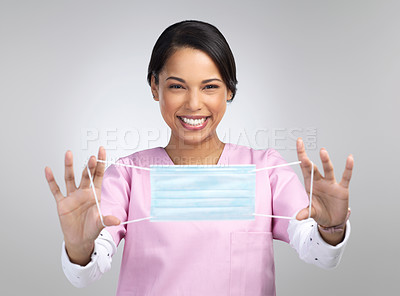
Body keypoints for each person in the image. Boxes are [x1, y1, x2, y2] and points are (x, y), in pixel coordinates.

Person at [44, 20, 353, 296]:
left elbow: (318, 252)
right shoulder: (128, 175)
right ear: (154, 86)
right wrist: (79, 247)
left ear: (229, 91)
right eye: (177, 86)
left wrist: (331, 228)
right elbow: (86, 272)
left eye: (210, 87)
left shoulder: (266, 170)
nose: (193, 103)